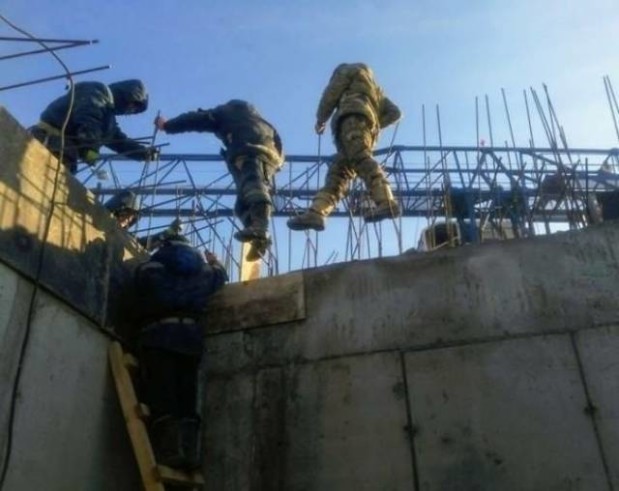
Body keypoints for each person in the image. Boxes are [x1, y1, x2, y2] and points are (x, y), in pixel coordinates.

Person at [133, 234, 228, 470]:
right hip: (190, 340)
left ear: (164, 244)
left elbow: (137, 289)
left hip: (159, 336)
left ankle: (169, 451)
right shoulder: (204, 272)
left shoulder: (151, 267)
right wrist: (215, 262)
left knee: (162, 395)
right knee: (187, 397)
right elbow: (220, 277)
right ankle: (189, 452)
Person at [154, 99, 284, 260]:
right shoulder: (263, 122)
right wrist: (276, 165)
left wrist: (167, 126)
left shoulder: (225, 113)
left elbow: (195, 120)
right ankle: (259, 239)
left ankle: (260, 228)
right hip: (269, 157)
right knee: (241, 205)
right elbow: (279, 144)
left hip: (249, 151)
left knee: (253, 187)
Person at [287, 63, 402, 231]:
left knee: (360, 158)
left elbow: (332, 93)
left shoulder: (349, 71)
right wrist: (373, 125)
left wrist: (321, 119)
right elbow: (395, 113)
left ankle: (386, 201)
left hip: (351, 119)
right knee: (338, 174)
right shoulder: (376, 90)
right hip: (362, 129)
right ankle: (317, 212)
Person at [30, 79, 158, 174]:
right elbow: (88, 119)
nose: (129, 111)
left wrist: (143, 153)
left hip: (65, 152)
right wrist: (90, 149)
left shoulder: (108, 119)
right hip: (49, 141)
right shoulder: (97, 92)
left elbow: (120, 142)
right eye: (132, 106)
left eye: (133, 111)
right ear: (127, 95)